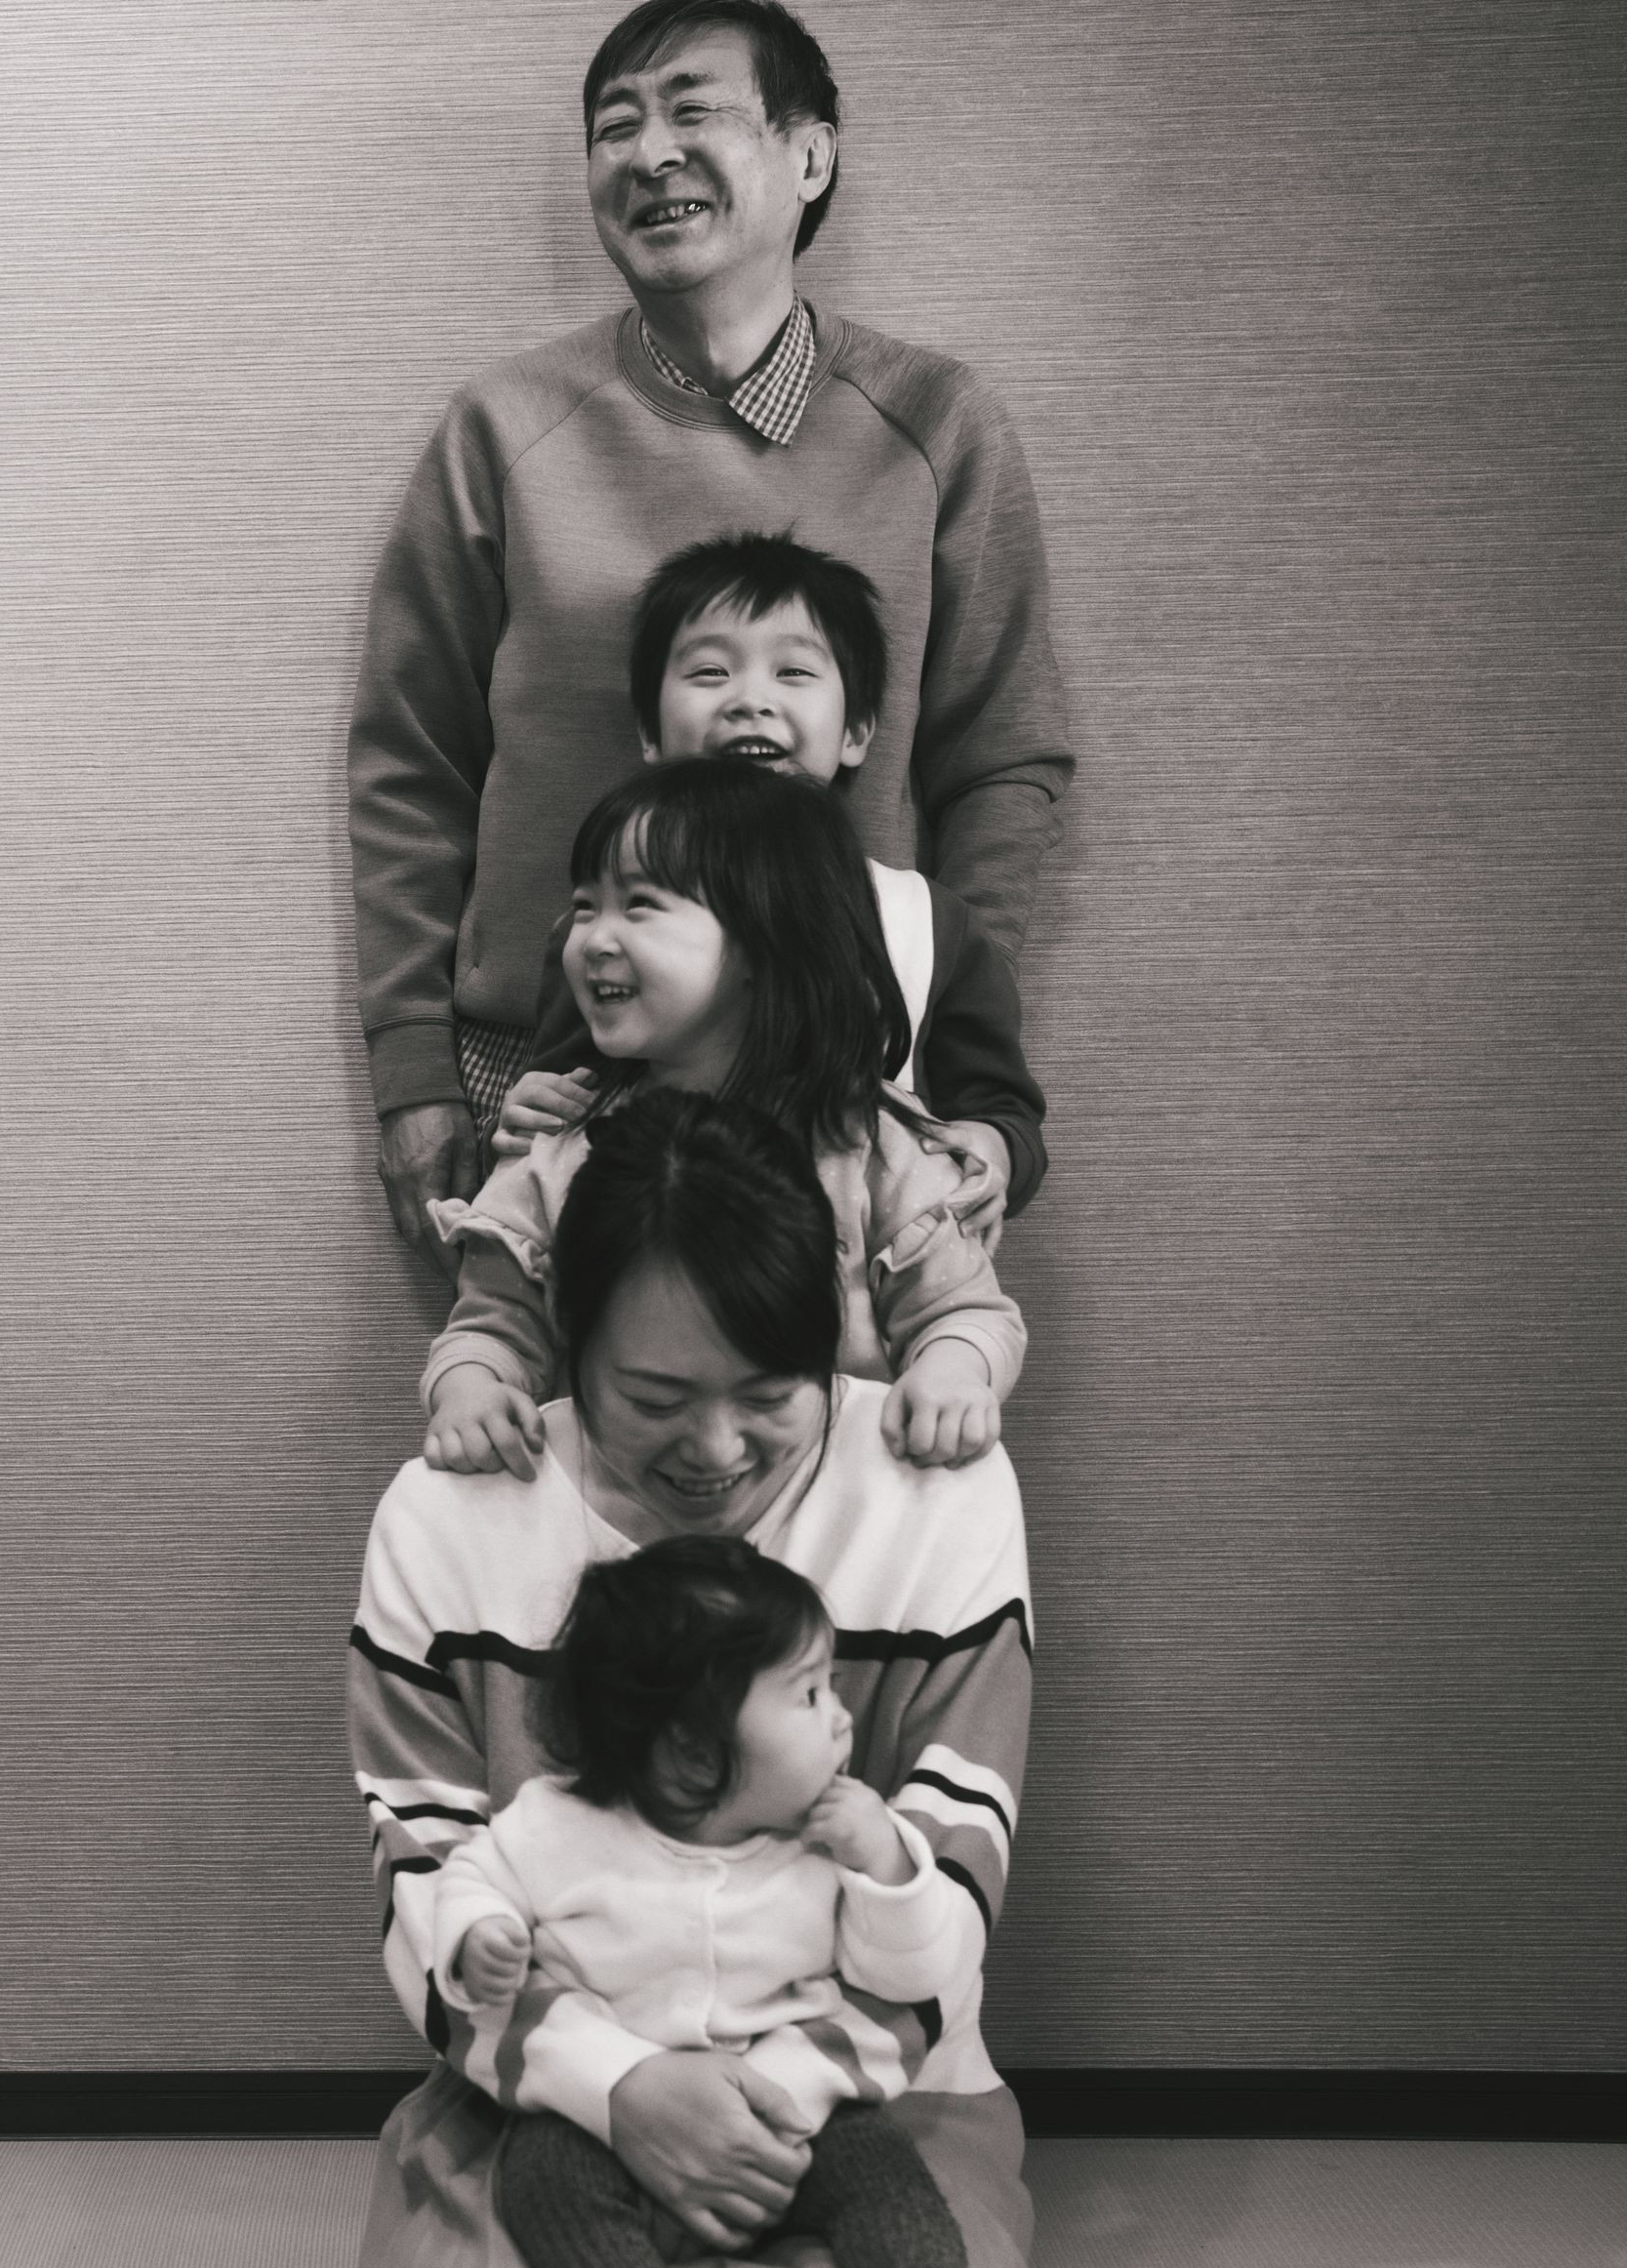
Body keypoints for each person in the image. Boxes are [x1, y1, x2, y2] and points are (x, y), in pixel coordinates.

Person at [348, 0, 1074, 1270]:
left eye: (693, 111)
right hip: (555, 1076)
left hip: (845, 1073)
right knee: (524, 1388)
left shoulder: (938, 423)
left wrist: (945, 1019)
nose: (648, 153)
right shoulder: (504, 427)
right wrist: (413, 1071)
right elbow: (414, 762)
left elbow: (1001, 758)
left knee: (864, 1388)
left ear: (810, 155)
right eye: (614, 127)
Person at [348, 1086, 1041, 2268]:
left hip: (879, 2082)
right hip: (529, 2089)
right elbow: (432, 1890)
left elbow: (950, 1870)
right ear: (568, 1339)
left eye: (770, 1394)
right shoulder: (448, 1520)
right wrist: (619, 2088)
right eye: (658, 1401)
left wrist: (769, 2098)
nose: (716, 1451)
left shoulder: (938, 1492)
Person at [435, 1536, 1043, 2268]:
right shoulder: (559, 1824)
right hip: (603, 2122)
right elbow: (472, 1874)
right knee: (542, 2177)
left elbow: (912, 1974)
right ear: (693, 1751)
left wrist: (888, 1864)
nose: (842, 1717)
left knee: (878, 2165)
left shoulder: (830, 1842)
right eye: (809, 1694)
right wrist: (477, 1931)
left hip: (796, 2120)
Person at [420, 760, 1026, 1478]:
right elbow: (493, 1324)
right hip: (633, 1512)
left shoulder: (873, 1146)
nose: (592, 939)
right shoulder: (560, 1141)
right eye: (586, 905)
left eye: (638, 904)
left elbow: (963, 1311)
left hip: (848, 1507)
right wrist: (471, 1388)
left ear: (766, 940)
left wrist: (953, 1371)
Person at [499, 530, 1048, 1231]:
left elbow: (1004, 1114)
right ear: (649, 733)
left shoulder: (926, 923)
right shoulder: (599, 932)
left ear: (856, 730)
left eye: (792, 672)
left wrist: (994, 1151)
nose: (749, 699)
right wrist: (526, 1118)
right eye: (709, 672)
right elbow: (553, 1120)